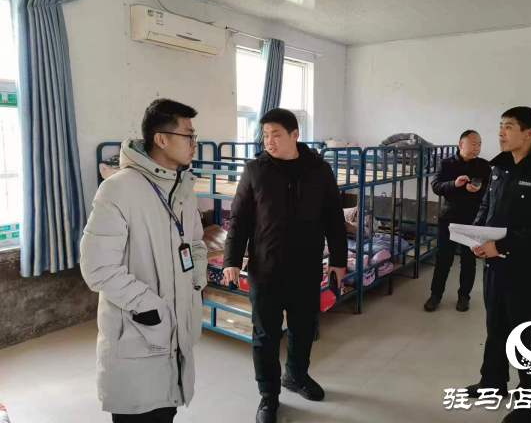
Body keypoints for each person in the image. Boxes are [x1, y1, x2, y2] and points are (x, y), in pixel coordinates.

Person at [80, 99, 208, 422]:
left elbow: (195, 243)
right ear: (161, 139)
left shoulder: (183, 187)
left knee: (166, 407)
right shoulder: (118, 190)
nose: (194, 143)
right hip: (139, 334)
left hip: (176, 335)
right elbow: (98, 268)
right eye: (189, 135)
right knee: (139, 412)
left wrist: (195, 282)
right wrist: (151, 306)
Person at [223, 108, 347, 423]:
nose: (269, 141)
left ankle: (296, 375)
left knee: (304, 328)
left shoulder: (319, 170)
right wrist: (231, 260)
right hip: (266, 269)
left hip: (306, 268)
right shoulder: (255, 170)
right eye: (265, 135)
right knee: (265, 336)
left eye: (276, 135)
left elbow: (334, 218)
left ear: (294, 135)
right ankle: (269, 396)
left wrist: (338, 260)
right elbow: (239, 219)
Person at [465, 107, 531, 423]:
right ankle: (493, 382)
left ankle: (530, 406)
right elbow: (486, 205)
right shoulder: (499, 167)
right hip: (494, 264)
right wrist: (477, 234)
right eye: (500, 126)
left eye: (508, 127)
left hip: (524, 268)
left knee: (526, 336)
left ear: (529, 133)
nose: (501, 132)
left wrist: (501, 245)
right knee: (495, 325)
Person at [424, 130, 491, 312]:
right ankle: (435, 295)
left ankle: (464, 296)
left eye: (479, 144)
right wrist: (455, 184)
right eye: (473, 144)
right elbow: (436, 187)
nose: (476, 148)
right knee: (443, 259)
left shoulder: (484, 166)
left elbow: (492, 190)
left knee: (469, 260)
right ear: (461, 144)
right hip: (449, 217)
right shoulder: (446, 164)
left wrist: (479, 188)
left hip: (473, 219)